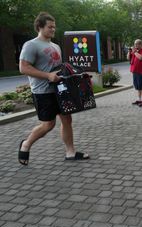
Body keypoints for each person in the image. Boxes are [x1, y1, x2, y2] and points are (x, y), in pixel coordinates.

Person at [18, 12, 89, 165]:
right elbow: (23, 68)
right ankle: (26, 144)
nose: (53, 30)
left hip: (60, 90)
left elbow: (58, 68)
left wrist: (74, 75)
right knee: (48, 125)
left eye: (54, 27)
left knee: (67, 119)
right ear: (40, 27)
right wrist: (47, 76)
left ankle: (70, 152)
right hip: (42, 91)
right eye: (50, 27)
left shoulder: (55, 46)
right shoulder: (31, 45)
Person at [128, 39, 142, 107]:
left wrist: (135, 52)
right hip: (135, 71)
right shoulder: (135, 51)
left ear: (140, 44)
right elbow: (128, 58)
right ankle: (139, 99)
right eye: (134, 44)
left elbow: (141, 58)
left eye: (136, 44)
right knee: (138, 87)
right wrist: (129, 52)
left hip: (141, 71)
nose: (135, 46)